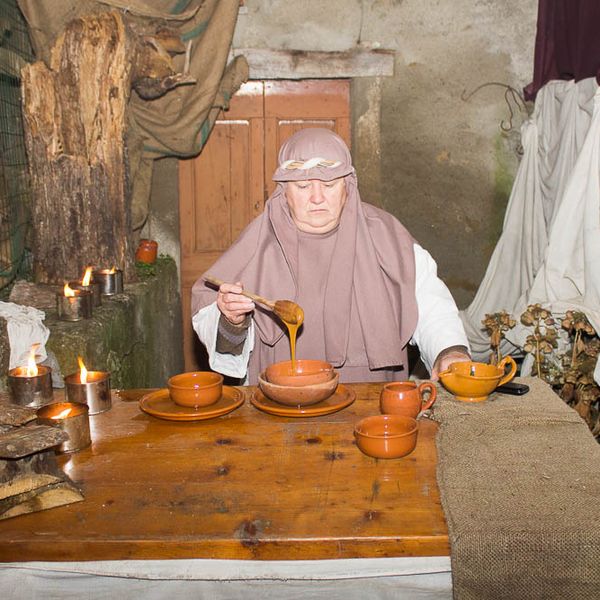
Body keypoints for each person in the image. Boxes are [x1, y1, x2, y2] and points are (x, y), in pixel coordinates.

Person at [191, 128, 470, 385]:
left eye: (329, 184)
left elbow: (431, 306)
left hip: (370, 403)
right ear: (284, 191)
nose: (316, 198)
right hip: (281, 403)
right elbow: (221, 332)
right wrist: (232, 321)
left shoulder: (388, 238)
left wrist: (449, 351)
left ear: (348, 186)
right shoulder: (256, 244)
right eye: (303, 187)